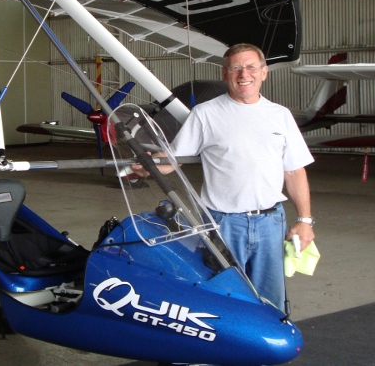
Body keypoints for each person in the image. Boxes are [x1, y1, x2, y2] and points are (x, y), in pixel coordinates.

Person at [134, 43, 315, 311]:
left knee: (270, 302)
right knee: (223, 299)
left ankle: (264, 340)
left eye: (251, 67)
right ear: (224, 74)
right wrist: (149, 165)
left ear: (264, 72)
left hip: (271, 223)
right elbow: (174, 159)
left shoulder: (280, 116)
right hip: (223, 223)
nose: (244, 74)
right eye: (236, 68)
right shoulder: (206, 113)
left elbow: (294, 170)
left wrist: (304, 220)